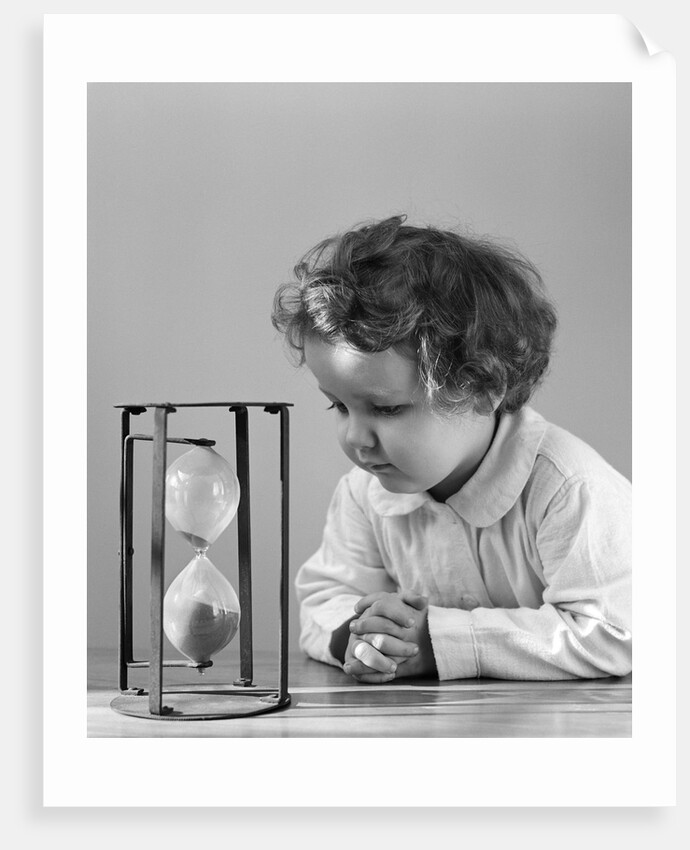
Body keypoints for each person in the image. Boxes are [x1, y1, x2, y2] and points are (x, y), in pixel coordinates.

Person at [271, 215, 631, 684]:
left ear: (484, 390)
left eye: (388, 409)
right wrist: (360, 638)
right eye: (338, 405)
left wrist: (438, 643)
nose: (356, 438)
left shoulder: (568, 489)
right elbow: (326, 596)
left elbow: (612, 632)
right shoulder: (364, 493)